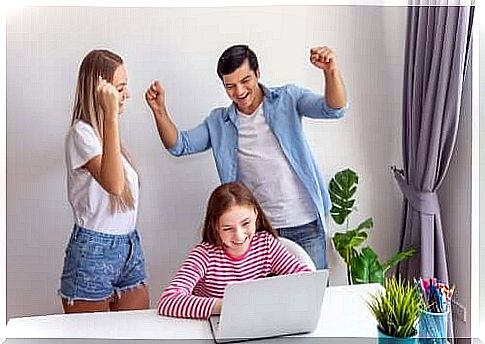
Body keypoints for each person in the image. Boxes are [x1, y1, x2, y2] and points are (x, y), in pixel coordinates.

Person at [145, 44, 347, 270]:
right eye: (230, 86)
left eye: (245, 81)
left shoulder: (287, 99)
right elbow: (179, 145)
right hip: (258, 231)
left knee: (312, 296)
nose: (239, 92)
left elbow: (333, 109)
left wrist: (330, 72)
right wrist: (159, 112)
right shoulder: (219, 122)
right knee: (262, 301)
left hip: (304, 222)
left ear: (258, 74)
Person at [59, 49, 149, 313]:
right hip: (93, 252)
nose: (127, 95)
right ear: (101, 92)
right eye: (120, 88)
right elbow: (114, 185)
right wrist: (110, 116)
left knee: (140, 333)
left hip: (129, 247)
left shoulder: (108, 139)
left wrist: (110, 122)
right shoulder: (81, 134)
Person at [158, 182, 312, 319]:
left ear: (256, 215)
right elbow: (168, 301)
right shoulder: (204, 255)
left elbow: (307, 280)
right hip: (212, 327)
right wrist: (228, 306)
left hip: (254, 321)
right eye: (228, 228)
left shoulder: (266, 244)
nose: (239, 236)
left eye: (246, 223)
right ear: (215, 227)